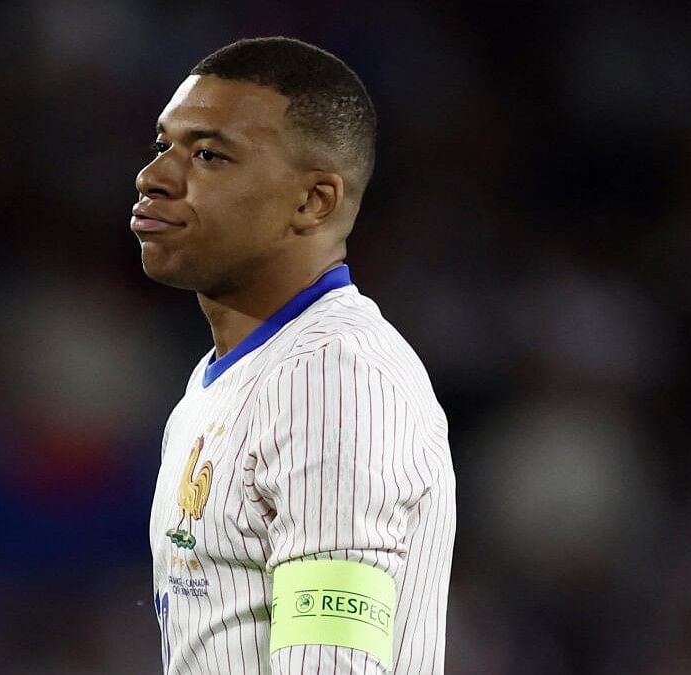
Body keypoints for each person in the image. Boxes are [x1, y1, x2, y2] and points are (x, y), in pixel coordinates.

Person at [134, 37, 456, 674]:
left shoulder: (335, 381)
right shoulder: (227, 378)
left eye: (207, 154)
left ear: (313, 202)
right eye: (163, 146)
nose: (154, 177)